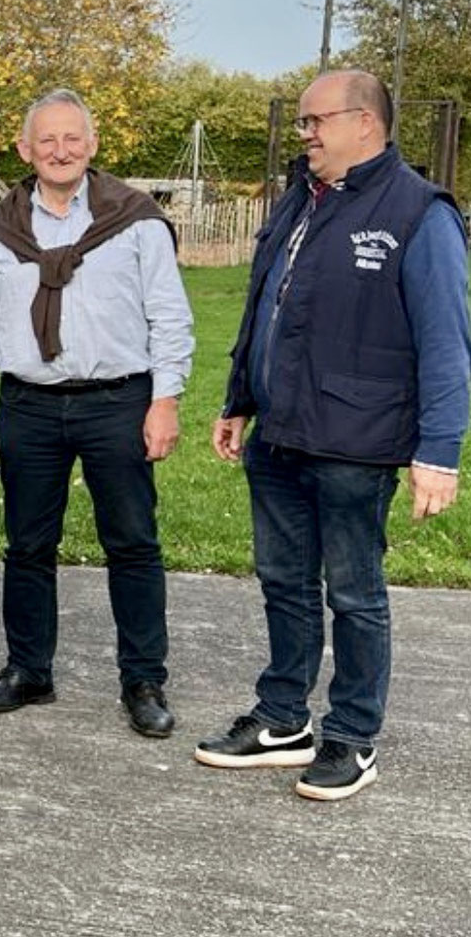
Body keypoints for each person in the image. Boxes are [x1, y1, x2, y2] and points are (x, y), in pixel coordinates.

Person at [197, 69, 470, 800]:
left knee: (353, 594)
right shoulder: (298, 200)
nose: (305, 134)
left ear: (365, 124)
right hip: (279, 434)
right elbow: (267, 307)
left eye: (316, 121)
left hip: (356, 441)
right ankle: (283, 718)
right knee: (282, 581)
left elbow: (447, 342)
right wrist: (238, 399)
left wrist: (438, 454)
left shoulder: (419, 213)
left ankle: (351, 737)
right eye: (302, 123)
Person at [0, 88, 194, 738]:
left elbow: (169, 317)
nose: (59, 151)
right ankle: (28, 670)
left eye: (71, 138)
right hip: (26, 406)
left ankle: (142, 679)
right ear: (24, 151)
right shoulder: (0, 229)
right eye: (45, 140)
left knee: (132, 544)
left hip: (117, 403)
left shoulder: (134, 220)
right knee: (26, 546)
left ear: (91, 145)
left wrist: (163, 401)